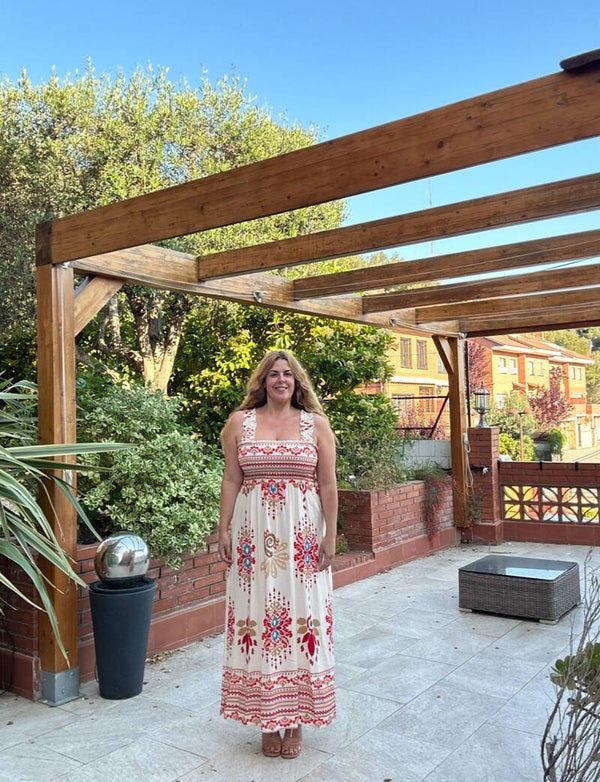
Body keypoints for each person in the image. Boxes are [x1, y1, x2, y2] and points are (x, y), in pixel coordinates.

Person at [218, 349, 337, 759]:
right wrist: (224, 527)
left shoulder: (316, 425)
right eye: (273, 374)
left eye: (287, 374)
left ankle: (297, 719)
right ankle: (268, 719)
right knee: (258, 617)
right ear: (263, 381)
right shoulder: (240, 422)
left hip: (302, 538)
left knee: (303, 617)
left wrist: (331, 535)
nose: (281, 380)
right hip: (253, 538)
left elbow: (329, 484)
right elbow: (231, 479)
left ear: (296, 381)